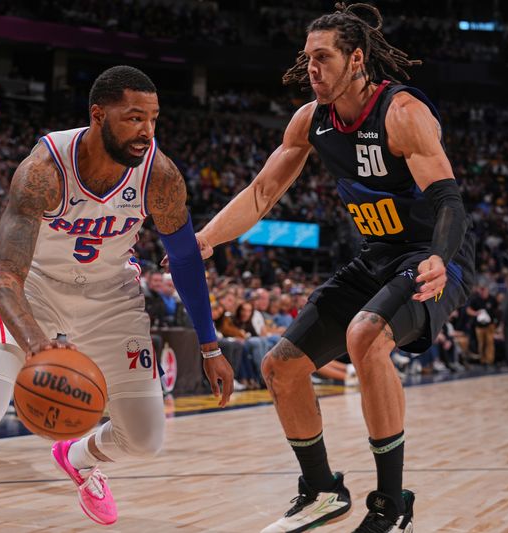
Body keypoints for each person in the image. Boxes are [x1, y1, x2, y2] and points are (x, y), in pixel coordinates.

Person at [0, 66, 233, 532]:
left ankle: (77, 457)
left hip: (112, 300)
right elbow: (4, 276)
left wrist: (211, 346)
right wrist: (40, 345)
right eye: (134, 118)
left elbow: (187, 261)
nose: (146, 132)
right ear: (99, 115)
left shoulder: (160, 175)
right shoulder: (44, 168)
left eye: (153, 119)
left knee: (146, 438)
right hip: (33, 294)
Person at [195, 4, 475, 532]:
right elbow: (260, 193)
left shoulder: (401, 112)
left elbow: (448, 201)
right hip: (376, 258)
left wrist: (440, 255)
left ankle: (393, 505)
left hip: (435, 256)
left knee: (366, 338)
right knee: (280, 366)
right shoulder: (311, 120)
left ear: (356, 59)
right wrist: (205, 238)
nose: (313, 70)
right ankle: (323, 492)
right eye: (307, 60)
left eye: (322, 58)